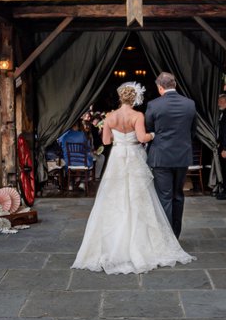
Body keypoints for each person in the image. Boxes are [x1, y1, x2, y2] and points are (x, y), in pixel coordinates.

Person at [71, 81, 194, 274]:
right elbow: (142, 138)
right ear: (135, 99)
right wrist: (153, 135)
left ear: (120, 98)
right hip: (135, 156)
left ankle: (114, 243)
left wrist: (113, 133)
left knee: (115, 196)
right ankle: (146, 242)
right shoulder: (138, 115)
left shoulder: (110, 117)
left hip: (118, 158)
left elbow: (105, 141)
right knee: (140, 196)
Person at [145, 72, 197, 239]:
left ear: (160, 87)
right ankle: (175, 234)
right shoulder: (190, 104)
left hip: (161, 156)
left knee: (164, 196)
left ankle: (166, 237)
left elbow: (149, 128)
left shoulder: (154, 105)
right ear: (175, 85)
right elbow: (193, 131)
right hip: (182, 156)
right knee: (178, 195)